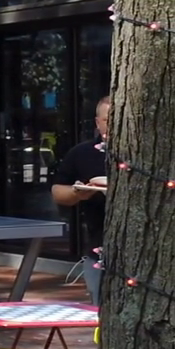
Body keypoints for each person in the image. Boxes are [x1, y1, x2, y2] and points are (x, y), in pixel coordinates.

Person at [51, 95, 110, 304]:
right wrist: (77, 193)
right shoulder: (81, 153)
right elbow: (58, 191)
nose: (113, 126)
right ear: (97, 122)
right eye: (107, 120)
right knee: (99, 307)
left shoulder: (147, 153)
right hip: (98, 247)